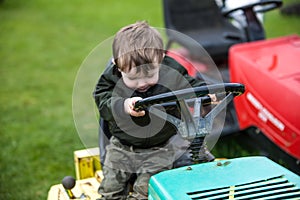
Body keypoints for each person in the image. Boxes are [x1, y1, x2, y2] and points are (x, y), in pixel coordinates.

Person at [93, 21, 214, 200]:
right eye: (133, 78)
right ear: (118, 67)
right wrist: (123, 105)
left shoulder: (171, 71)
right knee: (110, 190)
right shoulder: (110, 79)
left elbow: (190, 85)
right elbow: (102, 100)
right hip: (122, 147)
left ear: (161, 60)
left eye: (149, 75)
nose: (142, 83)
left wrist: (205, 94)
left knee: (147, 191)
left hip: (161, 148)